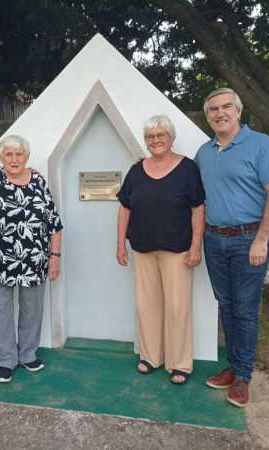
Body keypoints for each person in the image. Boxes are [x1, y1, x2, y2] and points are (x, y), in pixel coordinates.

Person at [195, 88, 269, 407]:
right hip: (213, 239)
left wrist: (262, 238)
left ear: (238, 110)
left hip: (249, 239)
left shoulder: (262, 145)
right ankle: (233, 367)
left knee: (245, 309)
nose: (220, 113)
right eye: (213, 109)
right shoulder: (204, 152)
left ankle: (243, 377)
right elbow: (187, 185)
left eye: (226, 107)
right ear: (208, 116)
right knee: (226, 305)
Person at [116, 115, 205, 385]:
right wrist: (120, 244)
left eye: (160, 135)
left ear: (171, 137)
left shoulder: (188, 168)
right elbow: (125, 208)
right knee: (147, 306)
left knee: (177, 307)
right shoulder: (136, 171)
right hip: (142, 248)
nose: (155, 140)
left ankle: (179, 363)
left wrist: (196, 246)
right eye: (150, 136)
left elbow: (198, 208)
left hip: (178, 249)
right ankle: (150, 357)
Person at [0, 135, 63, 384]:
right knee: (0, 311)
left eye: (19, 154)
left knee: (32, 308)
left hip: (34, 258)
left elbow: (54, 223)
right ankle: (4, 360)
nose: (14, 159)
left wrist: (55, 257)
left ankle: (28, 354)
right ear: (0, 157)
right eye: (9, 154)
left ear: (27, 157)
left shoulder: (38, 181)